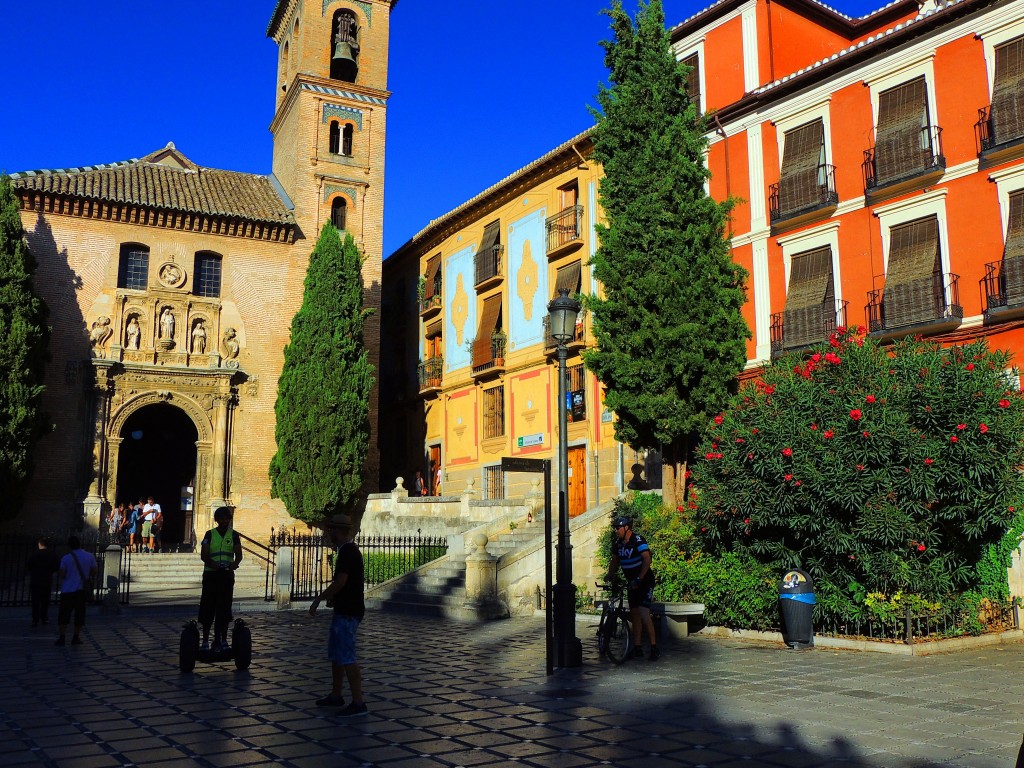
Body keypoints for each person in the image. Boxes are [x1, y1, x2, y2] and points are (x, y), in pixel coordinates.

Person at [309, 513, 367, 717]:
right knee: (336, 655)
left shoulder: (348, 552)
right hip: (343, 609)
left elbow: (341, 582)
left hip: (349, 612)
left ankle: (358, 702)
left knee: (347, 656)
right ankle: (336, 694)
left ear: (340, 531)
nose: (329, 532)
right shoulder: (345, 551)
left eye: (332, 529)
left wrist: (319, 599)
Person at [607, 515, 659, 661]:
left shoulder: (638, 540)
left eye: (618, 528)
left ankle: (654, 648)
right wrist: (610, 574)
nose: (616, 530)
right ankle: (637, 647)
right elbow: (615, 560)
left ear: (626, 527)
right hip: (632, 583)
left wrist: (639, 578)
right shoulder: (618, 543)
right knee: (635, 614)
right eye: (615, 528)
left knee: (643, 613)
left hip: (644, 581)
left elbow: (647, 559)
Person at [198, 506, 243, 651]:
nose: (224, 521)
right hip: (211, 574)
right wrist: (214, 564)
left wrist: (234, 564)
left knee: (224, 607)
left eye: (227, 518)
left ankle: (223, 640)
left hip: (226, 575)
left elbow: (239, 554)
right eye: (221, 519)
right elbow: (204, 555)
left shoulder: (234, 535)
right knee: (208, 606)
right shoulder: (209, 534)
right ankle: (205, 640)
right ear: (216, 520)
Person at [56, 535, 97, 646]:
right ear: (80, 544)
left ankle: (62, 637)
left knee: (64, 615)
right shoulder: (89, 556)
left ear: (69, 546)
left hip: (67, 590)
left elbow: (62, 574)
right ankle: (76, 637)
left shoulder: (66, 558)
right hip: (81, 590)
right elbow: (94, 571)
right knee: (79, 614)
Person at [26, 538, 58, 627]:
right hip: (47, 580)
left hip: (35, 580)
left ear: (39, 545)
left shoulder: (34, 555)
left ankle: (35, 619)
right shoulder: (52, 555)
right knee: (45, 600)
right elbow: (56, 567)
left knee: (35, 601)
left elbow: (29, 566)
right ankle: (44, 618)